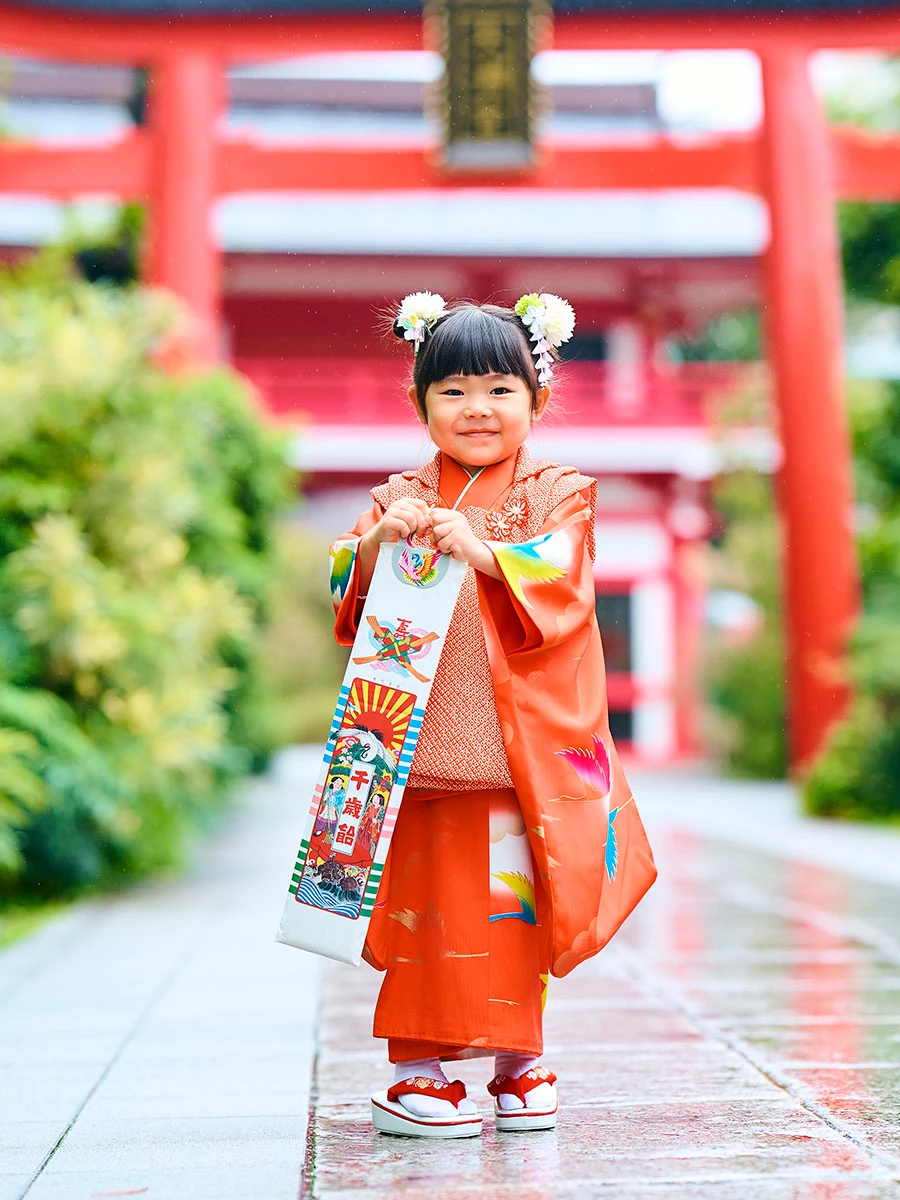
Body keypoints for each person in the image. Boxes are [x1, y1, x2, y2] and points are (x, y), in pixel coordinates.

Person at [329, 292, 657, 1138]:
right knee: (423, 910)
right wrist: (371, 546)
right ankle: (417, 1070)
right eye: (454, 391)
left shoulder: (559, 495)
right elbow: (345, 592)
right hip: (422, 746)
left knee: (511, 904)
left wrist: (485, 550)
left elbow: (565, 581)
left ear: (537, 400)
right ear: (420, 402)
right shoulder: (397, 493)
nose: (477, 408)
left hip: (516, 752)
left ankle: (521, 1062)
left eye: (500, 389)